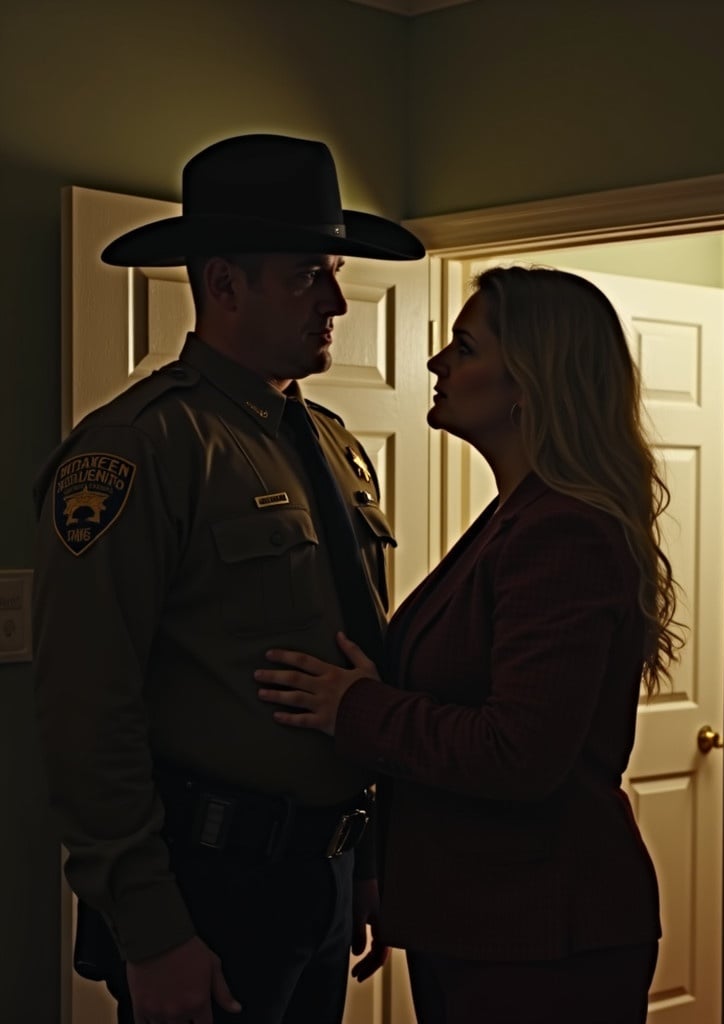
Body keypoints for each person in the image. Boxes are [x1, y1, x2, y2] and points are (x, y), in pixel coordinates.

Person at [32, 133, 424, 1024]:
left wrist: (363, 863)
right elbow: (87, 709)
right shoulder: (142, 447)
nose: (337, 300)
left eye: (335, 271)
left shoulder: (327, 440)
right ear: (222, 285)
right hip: (209, 883)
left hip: (320, 873)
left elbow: (352, 647)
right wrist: (151, 930)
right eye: (306, 275)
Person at [254, 265, 685, 1024]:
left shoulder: (561, 530)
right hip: (484, 923)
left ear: (528, 381)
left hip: (544, 935)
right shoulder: (515, 517)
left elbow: (519, 751)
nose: (435, 364)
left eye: (463, 347)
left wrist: (356, 708)